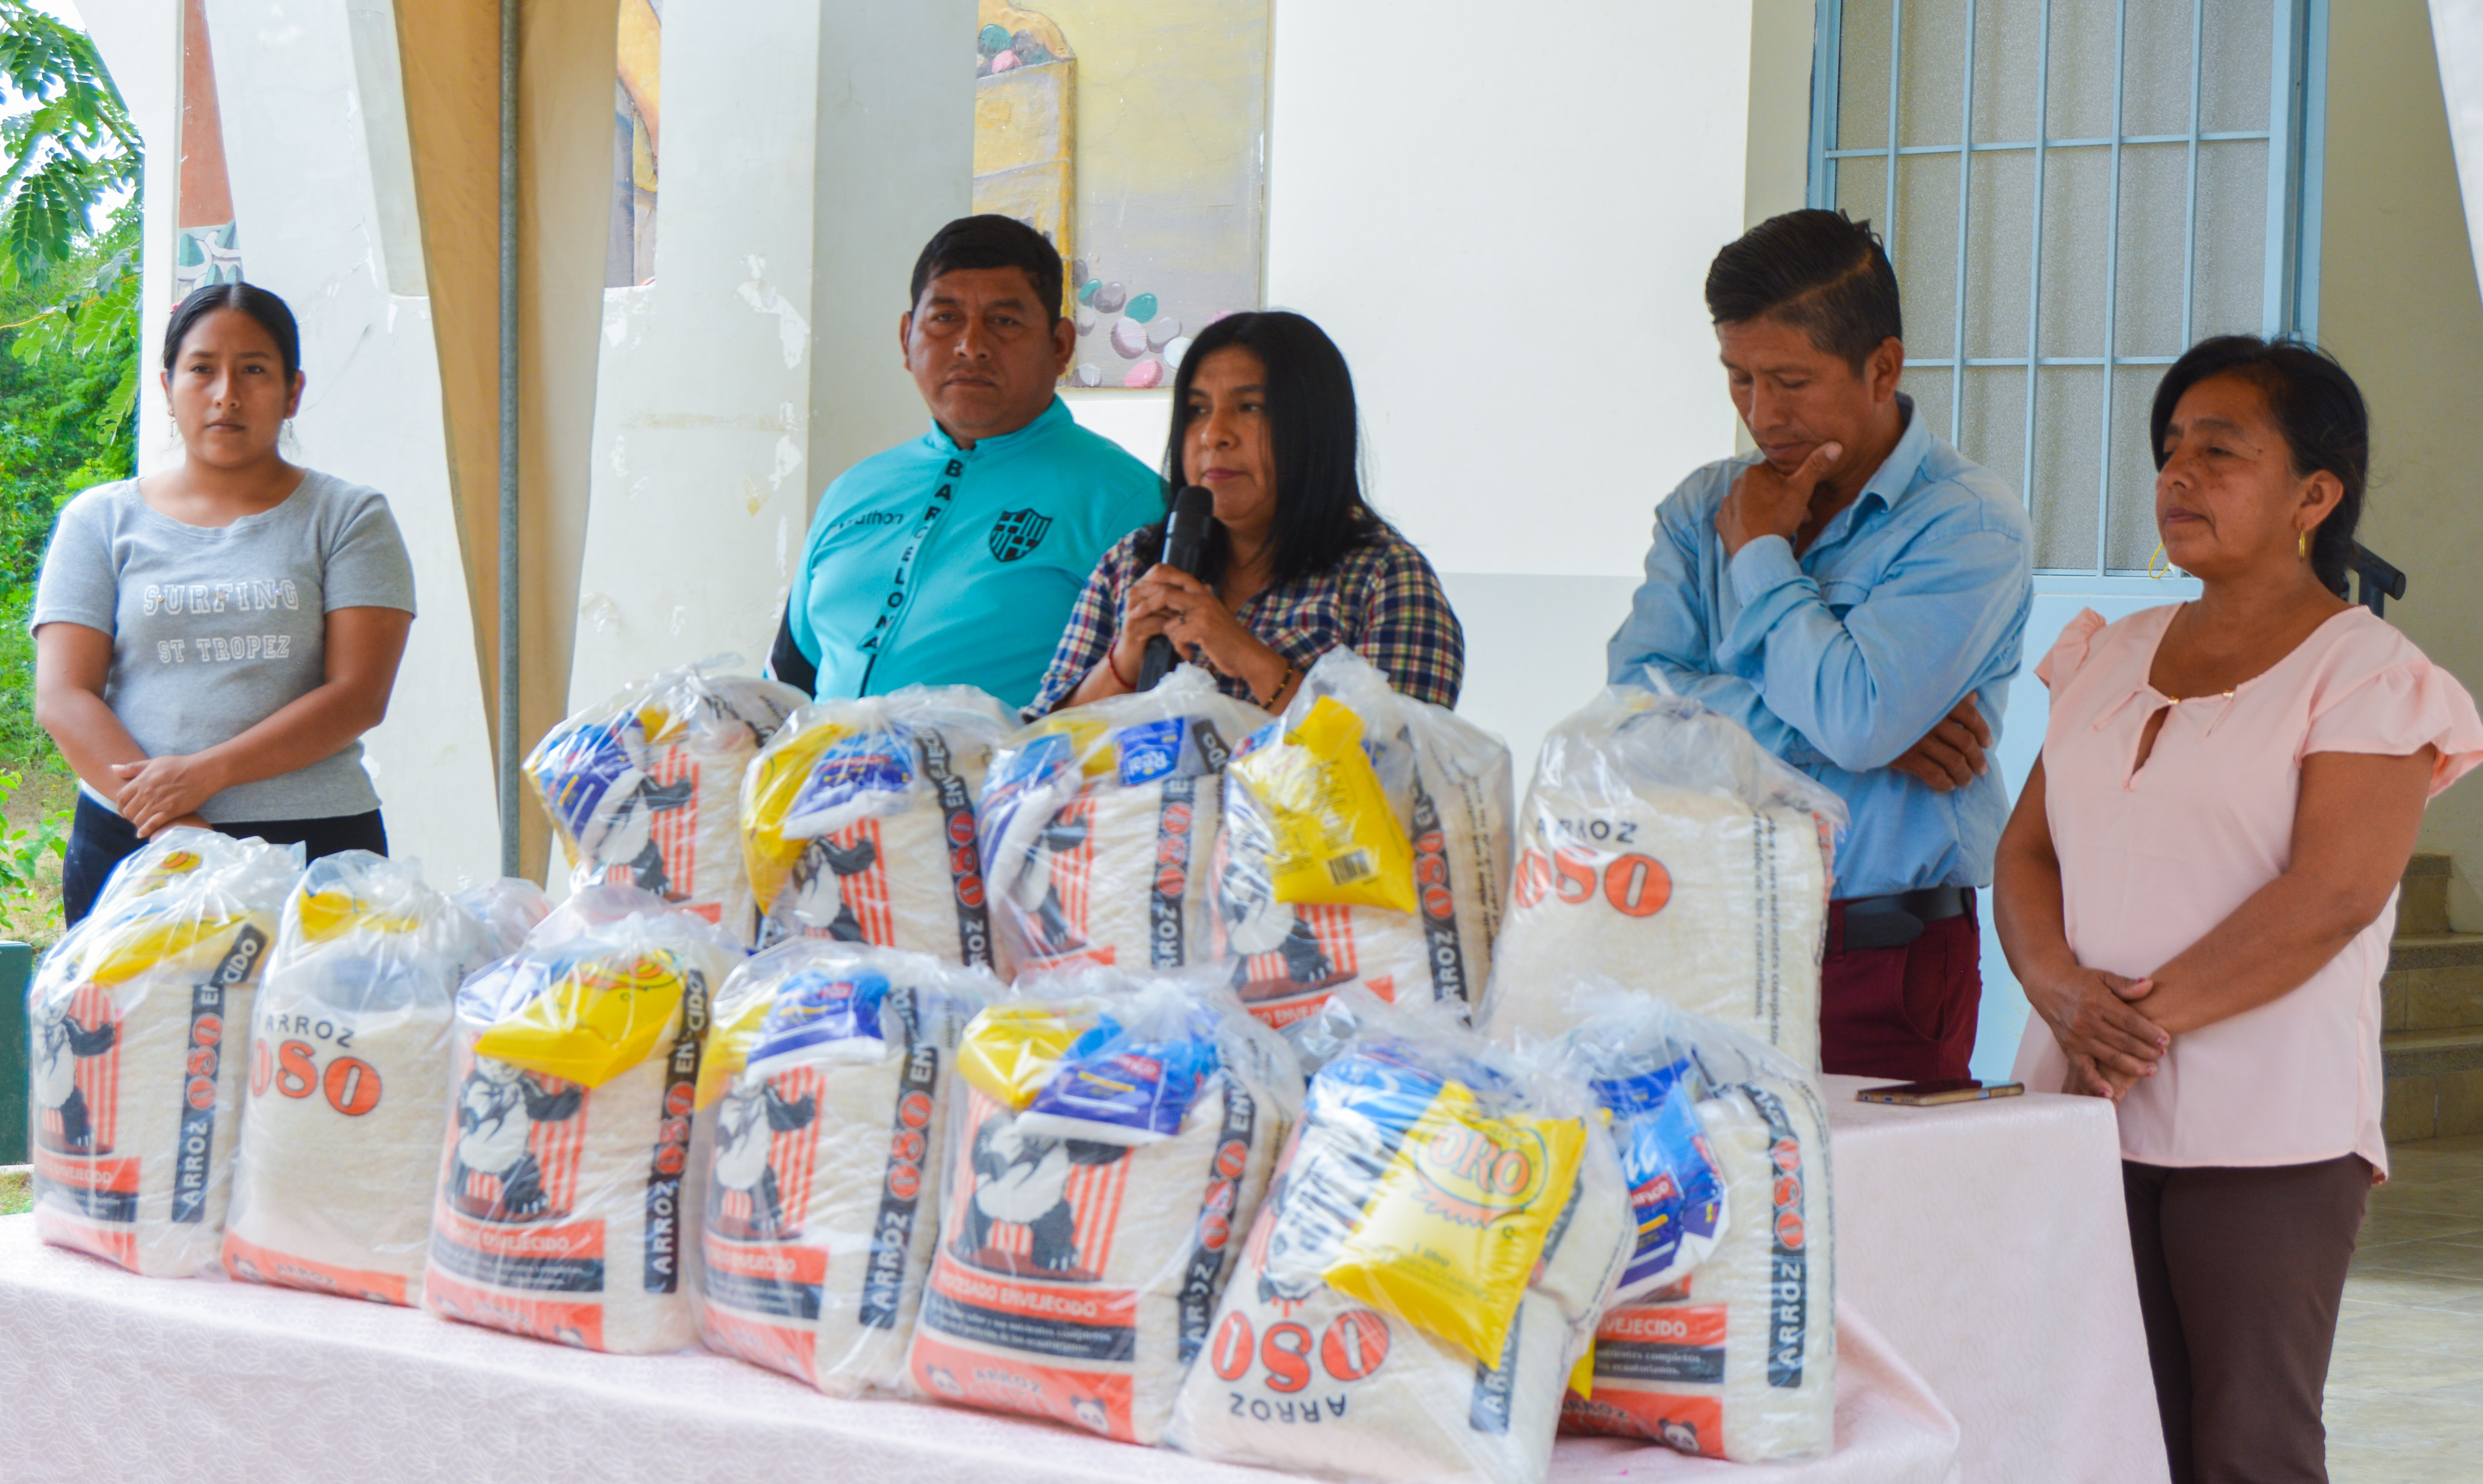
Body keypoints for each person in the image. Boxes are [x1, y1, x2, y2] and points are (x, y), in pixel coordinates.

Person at [1996, 337, 2481, 1484]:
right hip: (2081, 1102)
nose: (2179, 475)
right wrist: (2059, 991)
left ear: (2315, 496)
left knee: (2250, 1441)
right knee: (2108, 1431)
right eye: (2170, 449)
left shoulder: (2366, 674)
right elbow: (2026, 849)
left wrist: (2125, 1023)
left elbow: (2332, 894)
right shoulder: (2107, 652)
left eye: (2220, 452)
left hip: (2268, 1124)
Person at [1608, 208, 2033, 1080]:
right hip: (1704, 933)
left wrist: (1762, 552)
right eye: (1739, 379)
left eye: (1791, 381)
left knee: (1875, 1174)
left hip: (1882, 954)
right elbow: (1631, 716)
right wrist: (1856, 735)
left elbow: (1859, 717)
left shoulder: (1966, 523)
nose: (1762, 415)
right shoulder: (1701, 508)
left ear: (1884, 367)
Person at [32, 282, 417, 926]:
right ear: (167, 387)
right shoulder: (99, 520)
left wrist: (203, 775)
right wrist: (179, 826)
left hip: (315, 849)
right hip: (137, 841)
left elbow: (358, 695)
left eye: (255, 370)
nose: (227, 394)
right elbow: (64, 695)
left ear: (293, 391)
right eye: (203, 369)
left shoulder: (349, 516)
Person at [767, 215, 1163, 710]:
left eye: (1004, 321)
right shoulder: (853, 490)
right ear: (907, 338)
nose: (971, 346)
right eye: (945, 318)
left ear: (1060, 345)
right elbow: (787, 683)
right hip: (813, 760)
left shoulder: (1125, 502)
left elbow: (1153, 702)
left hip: (1015, 763)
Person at [1028, 310, 1463, 716]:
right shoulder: (1132, 563)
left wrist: (1244, 654)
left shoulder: (1384, 578)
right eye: (1198, 410)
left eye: (1250, 407)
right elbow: (1041, 747)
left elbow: (1399, 755)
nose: (1213, 434)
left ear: (1314, 427)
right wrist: (1124, 661)